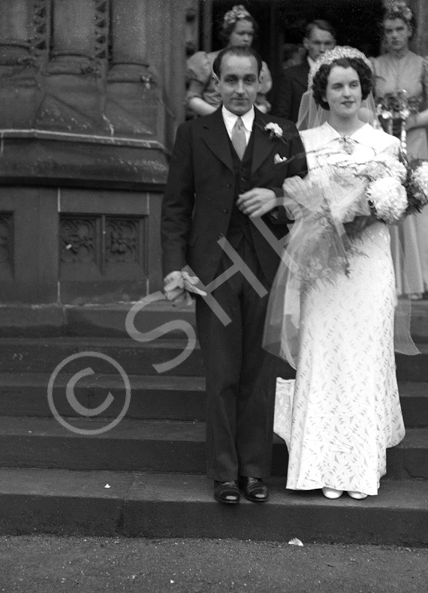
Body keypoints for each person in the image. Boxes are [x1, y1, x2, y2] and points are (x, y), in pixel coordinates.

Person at [161, 47, 306, 504]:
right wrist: (174, 266)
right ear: (217, 84)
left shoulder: (283, 133)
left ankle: (255, 470)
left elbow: (309, 196)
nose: (240, 90)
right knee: (222, 370)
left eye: (248, 79)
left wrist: (276, 197)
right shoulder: (193, 133)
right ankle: (224, 472)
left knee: (258, 374)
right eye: (230, 80)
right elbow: (176, 207)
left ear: (262, 80)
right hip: (214, 269)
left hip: (267, 266)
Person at [265, 47, 406, 500]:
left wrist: (374, 207)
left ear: (365, 88)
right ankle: (318, 466)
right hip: (322, 269)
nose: (346, 93)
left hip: (369, 267)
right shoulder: (303, 144)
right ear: (322, 94)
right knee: (323, 354)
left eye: (353, 84)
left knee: (364, 356)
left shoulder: (388, 145)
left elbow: (396, 207)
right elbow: (291, 205)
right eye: (336, 86)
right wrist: (325, 215)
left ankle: (359, 469)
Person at [371, 1, 428, 299]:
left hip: (413, 141)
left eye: (399, 29)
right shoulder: (374, 66)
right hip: (383, 142)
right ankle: (387, 277)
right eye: (389, 30)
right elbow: (366, 107)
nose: (393, 36)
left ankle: (417, 281)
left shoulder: (423, 65)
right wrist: (383, 119)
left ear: (410, 31)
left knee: (413, 199)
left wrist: (409, 119)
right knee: (386, 197)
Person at [186, 5, 273, 117]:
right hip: (211, 124)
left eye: (250, 34)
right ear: (228, 34)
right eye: (241, 33)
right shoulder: (207, 61)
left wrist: (246, 118)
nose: (246, 39)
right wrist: (220, 118)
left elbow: (263, 103)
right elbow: (192, 97)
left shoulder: (259, 65)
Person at [273, 20, 337, 122]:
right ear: (306, 43)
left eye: (327, 43)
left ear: (334, 44)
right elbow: (281, 118)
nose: (322, 49)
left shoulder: (340, 76)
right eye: (317, 43)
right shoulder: (289, 76)